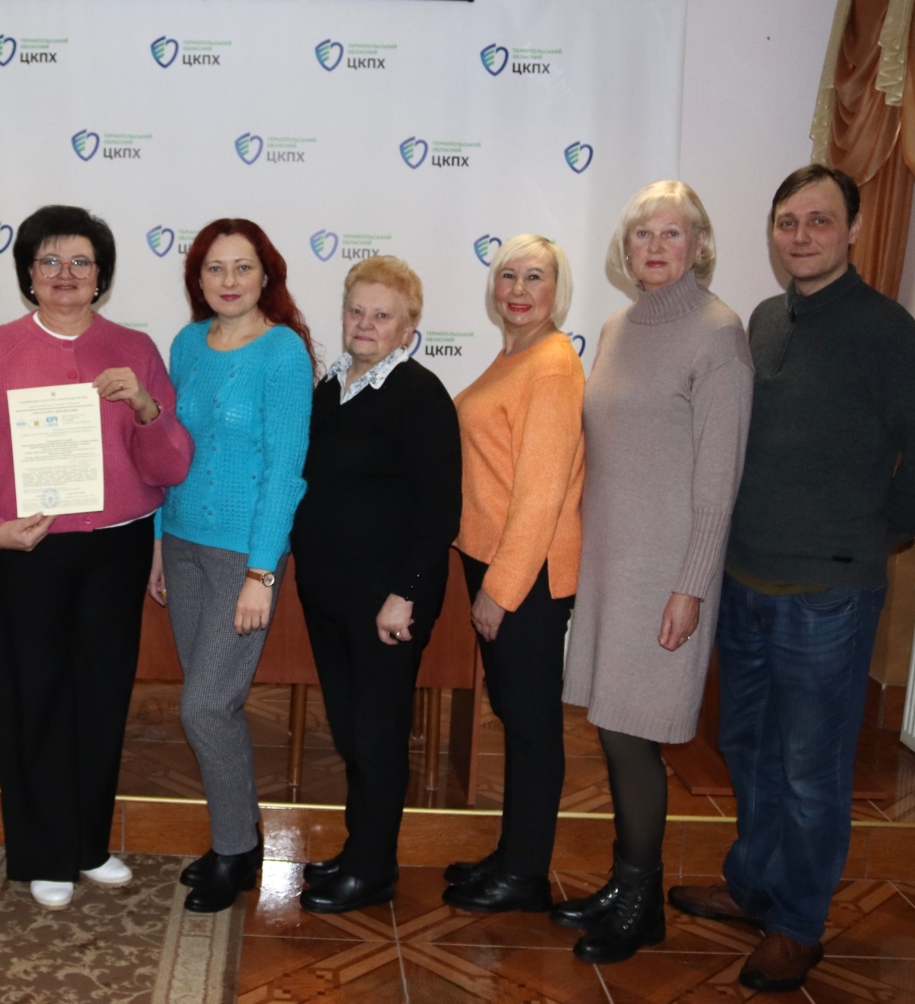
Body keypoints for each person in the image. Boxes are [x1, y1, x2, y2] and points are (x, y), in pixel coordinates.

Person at [669, 165, 915, 993]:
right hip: (746, 579)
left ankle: (798, 924)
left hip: (829, 595)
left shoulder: (886, 331)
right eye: (787, 222)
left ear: (853, 230)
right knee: (747, 748)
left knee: (810, 769)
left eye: (819, 221)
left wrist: (879, 532)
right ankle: (754, 885)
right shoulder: (765, 320)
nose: (801, 236)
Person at [0, 205, 193, 910]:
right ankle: (43, 851)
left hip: (116, 548)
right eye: (49, 261)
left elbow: (170, 464)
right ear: (28, 273)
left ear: (102, 275)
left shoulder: (134, 349)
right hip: (27, 550)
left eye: (81, 261)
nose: (65, 274)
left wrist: (145, 405)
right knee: (34, 695)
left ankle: (87, 842)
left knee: (102, 693)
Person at [555, 185, 753, 964]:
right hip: (610, 562)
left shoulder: (720, 334)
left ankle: (642, 904)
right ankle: (624, 882)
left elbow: (719, 479)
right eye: (644, 233)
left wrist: (690, 586)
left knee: (635, 733)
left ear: (700, 244)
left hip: (666, 573)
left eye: (674, 233)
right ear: (626, 248)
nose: (658, 246)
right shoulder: (614, 328)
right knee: (613, 726)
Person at [150, 219, 314, 913]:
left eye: (242, 267)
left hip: (242, 555)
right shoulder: (187, 344)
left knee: (206, 705)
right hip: (181, 544)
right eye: (214, 268)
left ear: (266, 275)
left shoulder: (284, 353)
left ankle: (234, 850)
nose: (228, 280)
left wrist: (261, 574)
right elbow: (166, 450)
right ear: (197, 278)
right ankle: (239, 841)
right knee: (215, 705)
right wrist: (158, 542)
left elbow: (285, 472)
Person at [291, 256, 462, 913]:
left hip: (389, 601)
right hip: (329, 593)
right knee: (348, 729)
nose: (365, 323)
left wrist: (406, 594)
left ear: (408, 327)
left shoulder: (420, 394)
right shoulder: (329, 389)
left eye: (381, 315)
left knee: (377, 733)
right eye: (356, 310)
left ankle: (372, 870)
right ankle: (360, 849)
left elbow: (440, 509)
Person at [441, 235, 586, 915]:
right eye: (508, 276)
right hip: (494, 561)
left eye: (535, 277)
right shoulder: (514, 355)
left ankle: (526, 874)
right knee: (516, 714)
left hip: (525, 574)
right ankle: (512, 855)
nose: (519, 290)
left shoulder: (552, 365)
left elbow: (541, 493)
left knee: (531, 724)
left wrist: (500, 590)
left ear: (559, 291)